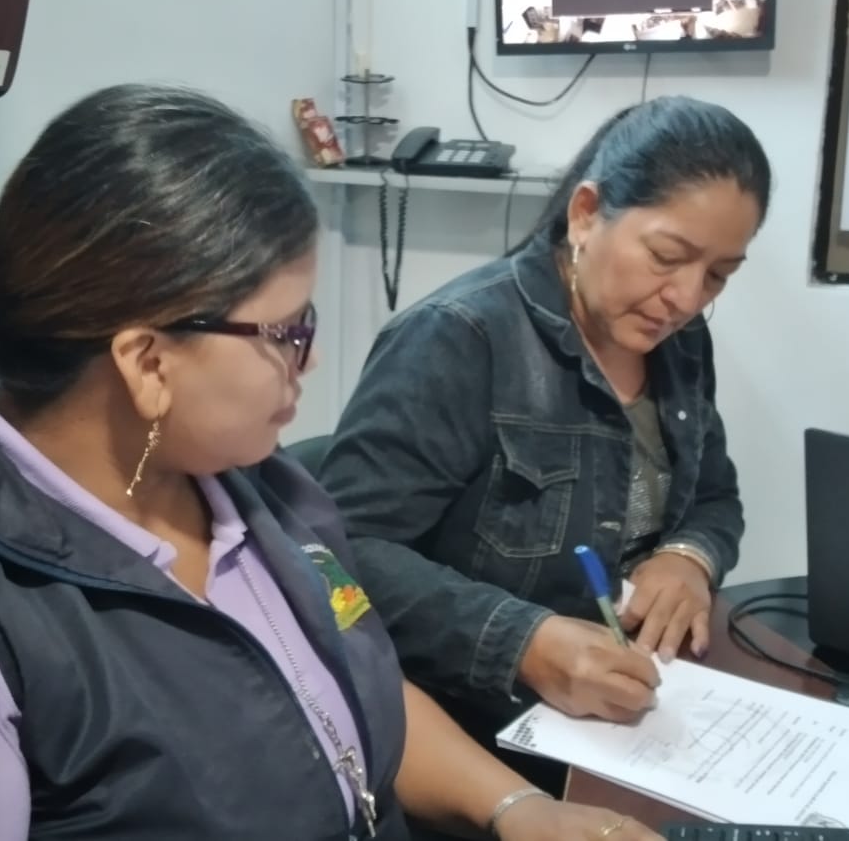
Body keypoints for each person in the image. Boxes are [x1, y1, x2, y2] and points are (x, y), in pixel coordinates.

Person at [0, 85, 662, 841]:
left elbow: (347, 694)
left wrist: (517, 808)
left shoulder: (256, 488)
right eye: (287, 331)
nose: (310, 359)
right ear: (148, 362)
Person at [317, 96, 772, 792]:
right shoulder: (461, 338)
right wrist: (521, 641)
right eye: (667, 257)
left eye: (718, 276)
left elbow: (714, 496)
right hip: (474, 730)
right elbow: (339, 556)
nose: (685, 299)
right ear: (586, 214)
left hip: (635, 713)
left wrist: (689, 557)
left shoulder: (681, 346)